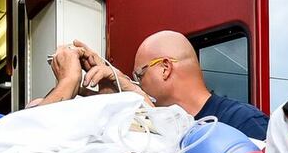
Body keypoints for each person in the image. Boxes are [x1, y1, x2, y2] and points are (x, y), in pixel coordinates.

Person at [77, 32, 269, 141]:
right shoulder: (155, 128)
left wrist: (134, 91)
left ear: (165, 69)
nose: (137, 83)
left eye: (139, 75)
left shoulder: (244, 122)